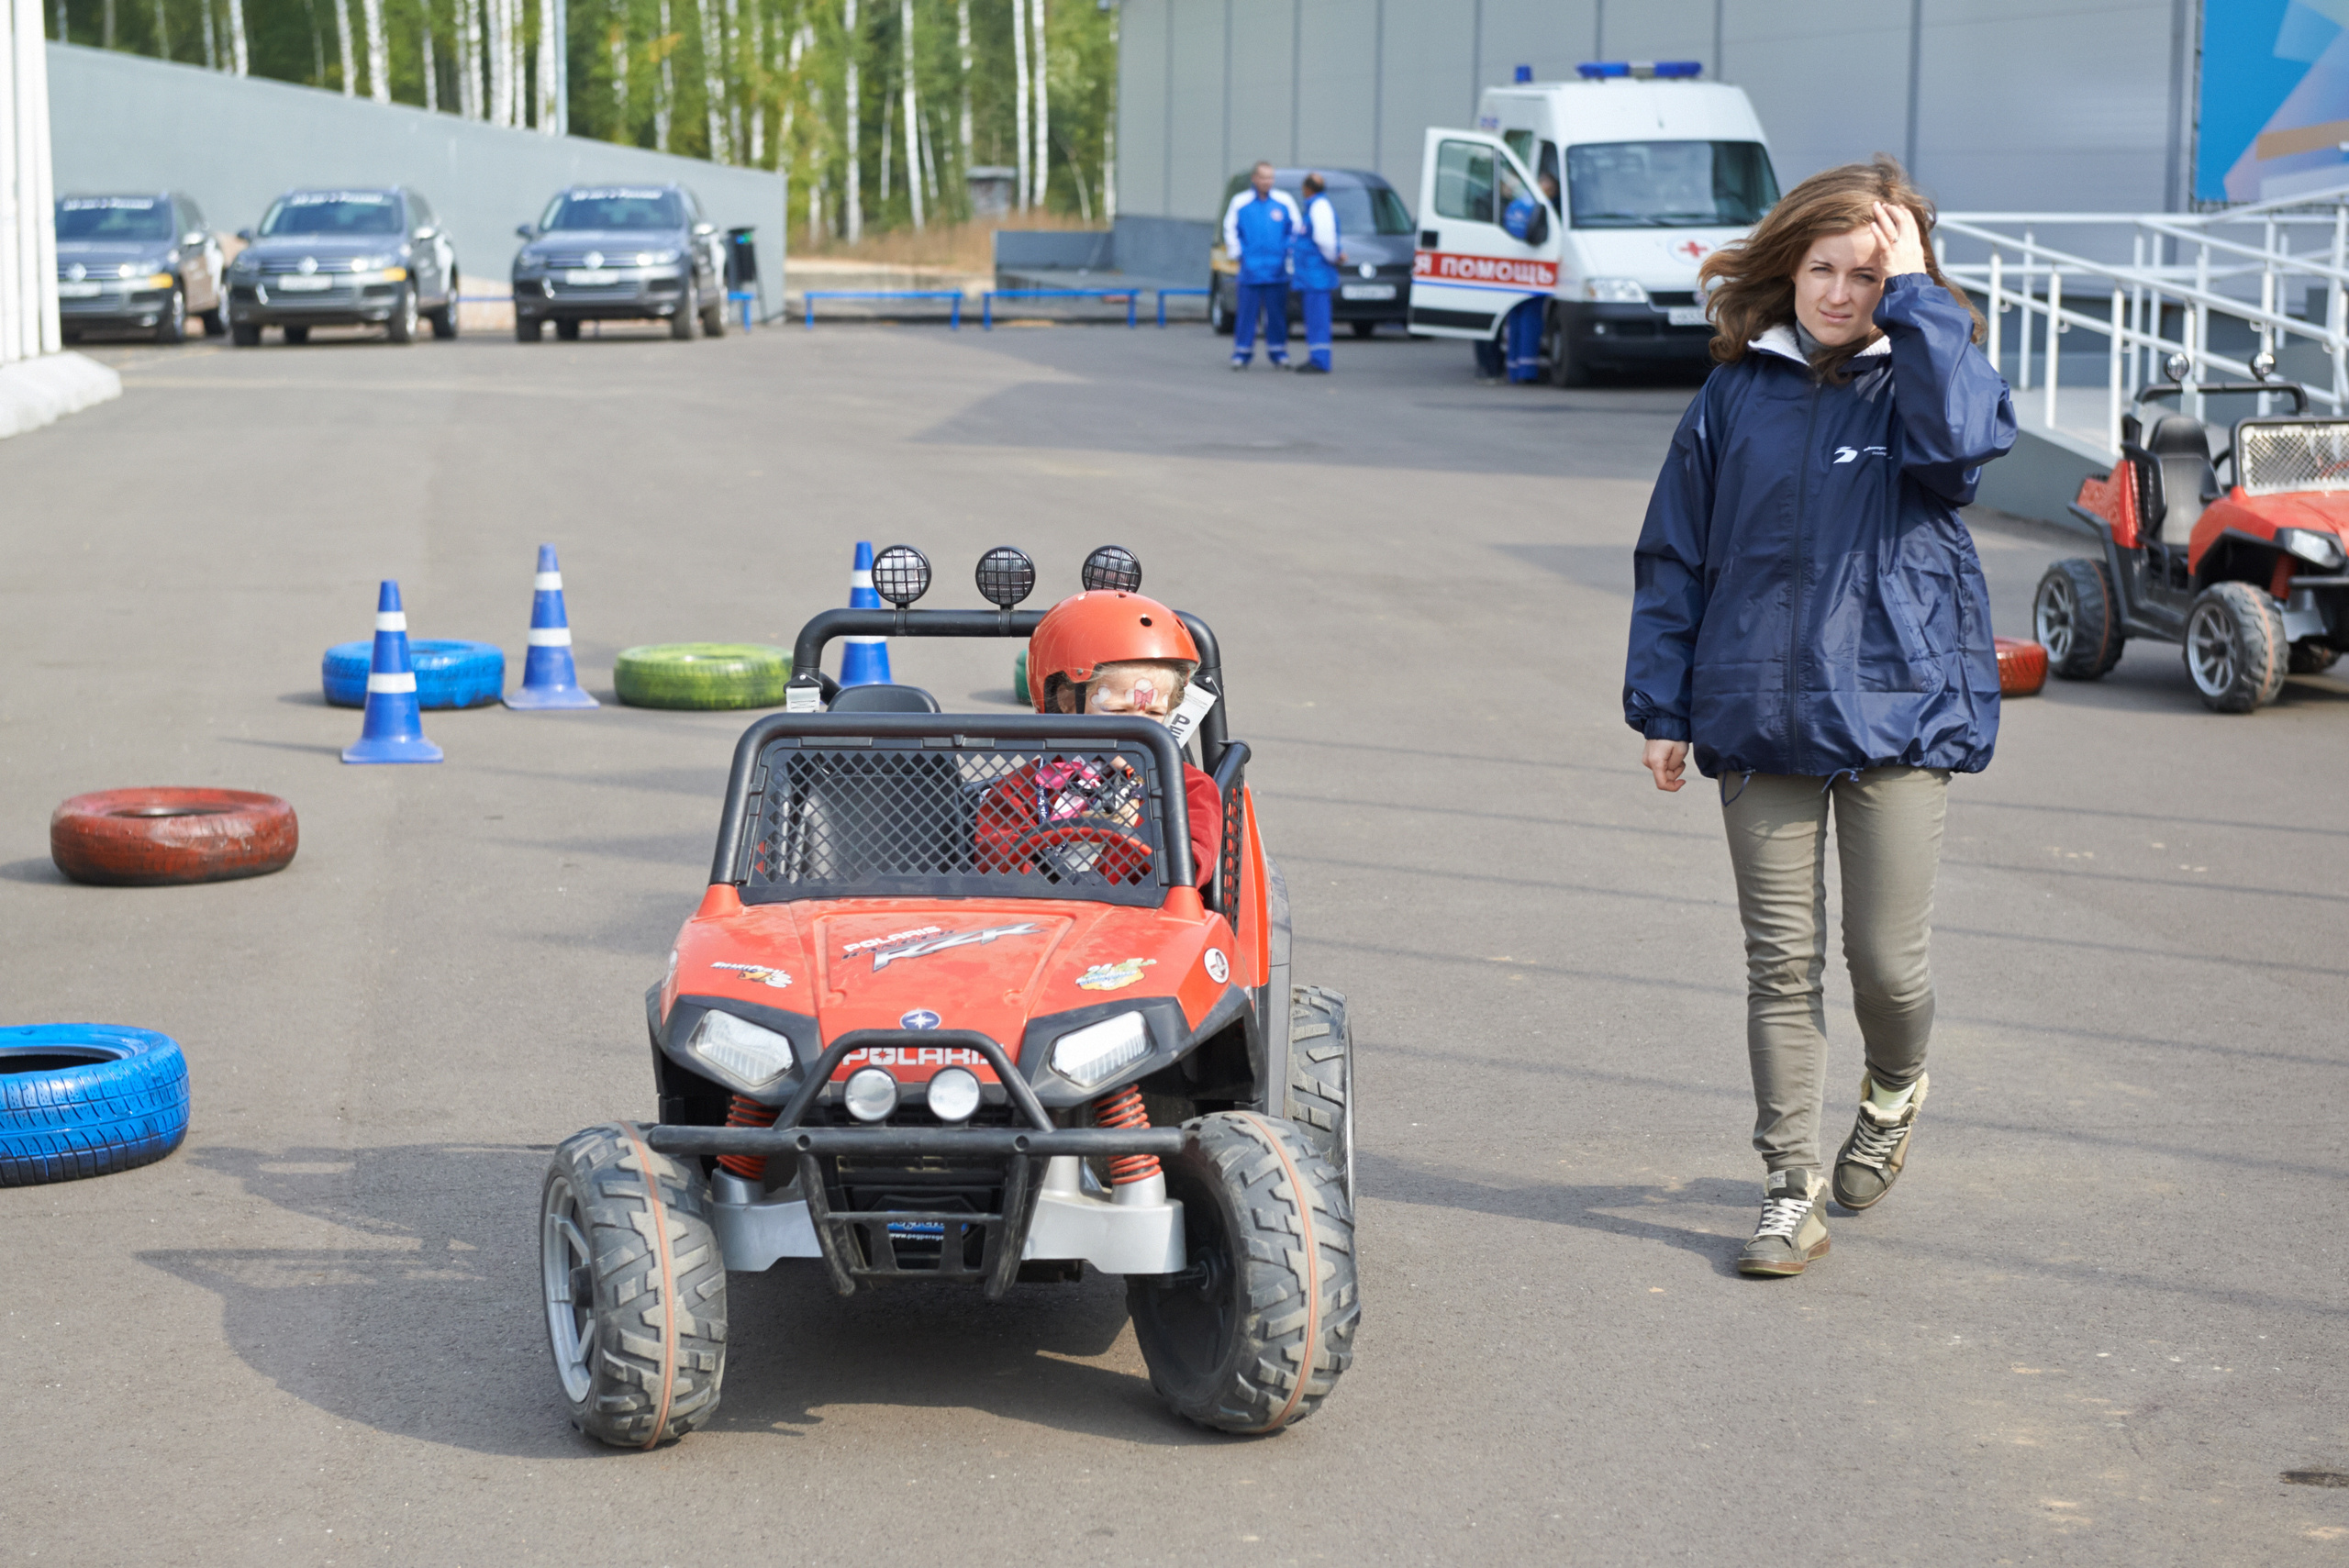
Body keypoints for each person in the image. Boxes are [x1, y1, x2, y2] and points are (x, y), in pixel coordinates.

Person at [1620, 155, 2016, 1279]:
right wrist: (1663, 701)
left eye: (1870, 273)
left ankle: (1893, 1089)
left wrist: (1920, 294)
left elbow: (1961, 456)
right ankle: (1787, 1185)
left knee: (1885, 962)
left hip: (1898, 702)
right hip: (1753, 708)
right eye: (1825, 267)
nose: (1843, 294)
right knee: (1780, 966)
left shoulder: (1927, 379)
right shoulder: (1734, 393)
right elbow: (1674, 553)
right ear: (1789, 268)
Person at [986, 588, 1222, 888]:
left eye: (1153, 713)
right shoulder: (1024, 788)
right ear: (1068, 701)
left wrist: (1122, 838)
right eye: (1119, 710)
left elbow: (1188, 870)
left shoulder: (1188, 788)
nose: (1138, 729)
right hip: (1044, 920)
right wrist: (1080, 832)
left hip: (1146, 924)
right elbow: (993, 863)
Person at [1222, 162, 1303, 370]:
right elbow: (1229, 228)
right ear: (1254, 178)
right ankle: (1242, 353)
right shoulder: (1240, 202)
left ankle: (1279, 353)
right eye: (1264, 177)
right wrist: (1238, 253)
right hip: (1250, 269)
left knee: (1276, 314)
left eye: (1271, 178)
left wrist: (1288, 251)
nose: (1268, 182)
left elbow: (1296, 227)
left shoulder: (1284, 201)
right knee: (1247, 313)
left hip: (1277, 270)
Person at [1474, 164, 1548, 384]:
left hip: (1509, 268)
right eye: (1511, 180)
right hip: (1490, 265)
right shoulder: (1489, 202)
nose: (1514, 185)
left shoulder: (1513, 203)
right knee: (1487, 317)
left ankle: (1501, 366)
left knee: (1508, 317)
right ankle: (1487, 366)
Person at [1291, 172, 1344, 374]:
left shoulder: (1319, 208)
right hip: (1313, 276)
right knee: (1315, 320)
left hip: (1316, 276)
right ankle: (1317, 357)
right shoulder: (1316, 206)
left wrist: (1335, 257)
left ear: (1307, 189)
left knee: (1318, 320)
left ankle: (1320, 360)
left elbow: (1325, 241)